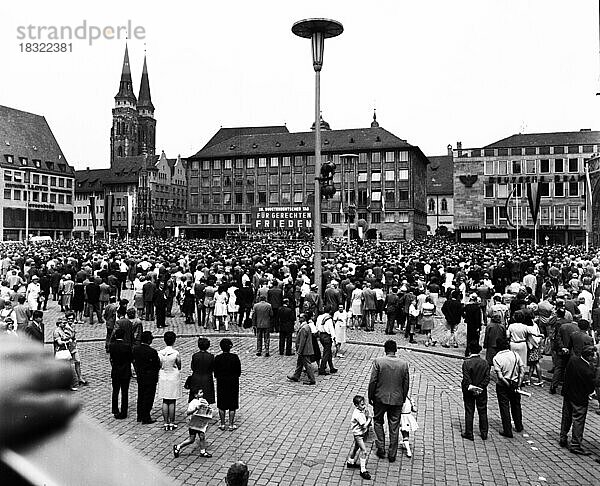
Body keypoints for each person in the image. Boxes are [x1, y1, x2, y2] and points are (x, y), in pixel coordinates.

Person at [368, 340, 410, 463]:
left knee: (378, 421)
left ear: (385, 349)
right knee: (394, 426)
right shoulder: (404, 364)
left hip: (380, 398)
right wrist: (403, 397)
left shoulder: (378, 362)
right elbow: (406, 384)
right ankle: (392, 453)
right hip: (397, 399)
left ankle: (381, 448)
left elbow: (373, 381)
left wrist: (370, 395)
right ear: (396, 350)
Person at [559, 345, 597, 455]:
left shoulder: (573, 360)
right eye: (594, 356)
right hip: (579, 398)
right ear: (589, 357)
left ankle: (563, 436)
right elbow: (590, 388)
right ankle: (575, 444)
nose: (595, 358)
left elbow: (566, 375)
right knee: (578, 420)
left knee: (566, 417)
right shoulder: (588, 370)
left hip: (568, 394)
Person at [492, 337, 524, 438]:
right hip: (515, 382)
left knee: (504, 407)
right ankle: (519, 426)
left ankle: (507, 430)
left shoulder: (497, 358)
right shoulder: (515, 355)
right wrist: (518, 384)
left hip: (503, 385)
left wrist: (507, 384)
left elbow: (500, 376)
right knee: (516, 405)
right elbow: (522, 372)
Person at [461, 342, 490, 440]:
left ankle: (469, 432)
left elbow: (466, 378)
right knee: (482, 411)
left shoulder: (466, 362)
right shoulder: (485, 362)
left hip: (469, 390)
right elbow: (487, 378)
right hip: (481, 391)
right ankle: (484, 432)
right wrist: (480, 387)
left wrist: (472, 387)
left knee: (469, 410)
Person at [173, 389, 213, 459]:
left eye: (202, 392)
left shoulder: (203, 401)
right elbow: (188, 412)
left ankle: (203, 451)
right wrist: (195, 409)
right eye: (200, 392)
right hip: (193, 423)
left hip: (201, 422)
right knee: (191, 439)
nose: (202, 394)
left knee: (202, 436)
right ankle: (178, 446)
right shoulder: (193, 402)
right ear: (195, 395)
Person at [132, 330, 161, 424]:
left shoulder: (136, 349)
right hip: (150, 377)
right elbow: (157, 364)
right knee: (149, 397)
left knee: (140, 395)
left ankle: (140, 415)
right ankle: (146, 416)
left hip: (140, 375)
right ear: (149, 340)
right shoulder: (152, 352)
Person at [213, 338, 242, 431]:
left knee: (221, 403)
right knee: (232, 404)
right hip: (233, 382)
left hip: (221, 382)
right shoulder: (235, 357)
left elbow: (215, 373)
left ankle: (222, 423)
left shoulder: (217, 358)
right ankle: (231, 424)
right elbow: (239, 372)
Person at [157, 331, 182, 430]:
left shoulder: (160, 353)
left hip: (163, 375)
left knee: (165, 400)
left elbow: (159, 365)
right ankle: (172, 422)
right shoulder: (175, 353)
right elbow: (179, 365)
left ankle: (165, 422)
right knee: (172, 400)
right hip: (173, 376)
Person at [345, 395, 372, 480]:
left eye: (364, 404)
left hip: (359, 433)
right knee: (364, 451)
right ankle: (363, 470)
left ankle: (350, 461)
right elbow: (364, 425)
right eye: (362, 405)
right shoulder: (358, 414)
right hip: (359, 435)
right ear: (357, 405)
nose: (364, 406)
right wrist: (369, 419)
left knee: (356, 447)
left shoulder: (360, 410)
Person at [108, 328, 133, 419]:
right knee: (124, 392)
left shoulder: (112, 345)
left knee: (115, 391)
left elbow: (111, 358)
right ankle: (123, 411)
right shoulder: (127, 346)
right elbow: (131, 358)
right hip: (125, 371)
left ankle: (115, 409)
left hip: (115, 371)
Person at [287, 313, 316, 385]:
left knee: (307, 364)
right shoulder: (306, 326)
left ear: (304, 318)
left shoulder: (304, 328)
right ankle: (296, 376)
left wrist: (299, 351)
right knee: (299, 363)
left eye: (300, 318)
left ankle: (312, 379)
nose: (299, 319)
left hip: (304, 350)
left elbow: (302, 341)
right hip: (305, 348)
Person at [188, 337, 215, 404]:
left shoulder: (195, 356)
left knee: (195, 399)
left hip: (196, 378)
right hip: (207, 378)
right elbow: (212, 368)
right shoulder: (211, 356)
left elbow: (192, 367)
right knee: (206, 399)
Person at [317, 307, 338, 375]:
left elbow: (317, 326)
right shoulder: (329, 319)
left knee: (328, 352)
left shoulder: (319, 317)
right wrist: (334, 338)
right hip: (327, 336)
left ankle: (332, 367)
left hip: (321, 335)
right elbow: (331, 329)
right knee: (326, 353)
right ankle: (322, 368)